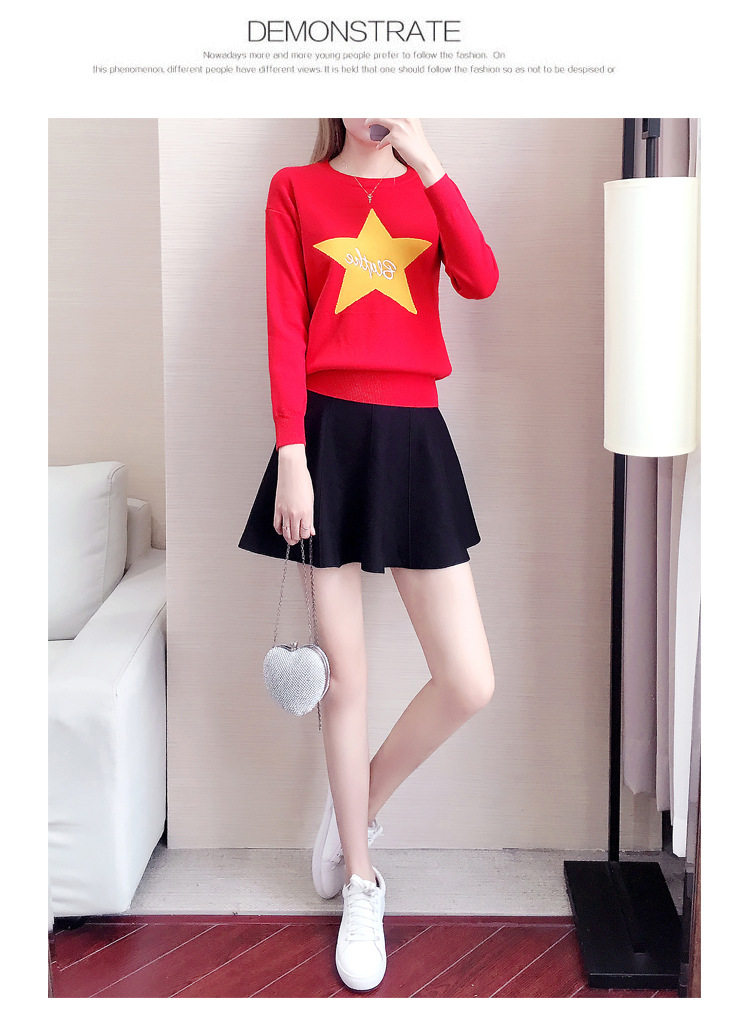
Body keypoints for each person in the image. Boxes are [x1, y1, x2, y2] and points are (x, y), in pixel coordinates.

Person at [238, 117, 499, 991]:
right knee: (345, 680)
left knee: (469, 678)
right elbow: (284, 324)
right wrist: (292, 455)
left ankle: (357, 808)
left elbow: (480, 277)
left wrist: (429, 165)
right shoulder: (294, 188)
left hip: (415, 436)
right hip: (326, 438)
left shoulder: (426, 188)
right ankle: (361, 877)